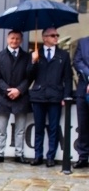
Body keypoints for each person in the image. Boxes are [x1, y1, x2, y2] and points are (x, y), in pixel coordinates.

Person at [28, 27, 72, 167]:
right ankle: (38, 156)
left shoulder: (63, 55)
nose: (56, 37)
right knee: (39, 128)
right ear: (44, 38)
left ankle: (51, 157)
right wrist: (33, 61)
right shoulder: (36, 54)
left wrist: (66, 96)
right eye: (53, 35)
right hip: (39, 95)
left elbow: (68, 78)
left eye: (57, 35)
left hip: (55, 96)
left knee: (53, 128)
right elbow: (29, 76)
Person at [0, 30, 31, 164]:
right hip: (3, 98)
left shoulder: (27, 57)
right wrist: (8, 91)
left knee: (20, 129)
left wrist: (19, 90)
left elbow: (29, 77)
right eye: (12, 38)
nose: (14, 41)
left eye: (17, 39)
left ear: (21, 41)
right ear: (8, 39)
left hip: (21, 97)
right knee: (1, 129)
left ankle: (19, 154)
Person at [73, 36, 89, 169]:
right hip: (83, 91)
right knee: (83, 125)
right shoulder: (82, 42)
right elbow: (77, 62)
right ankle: (83, 157)